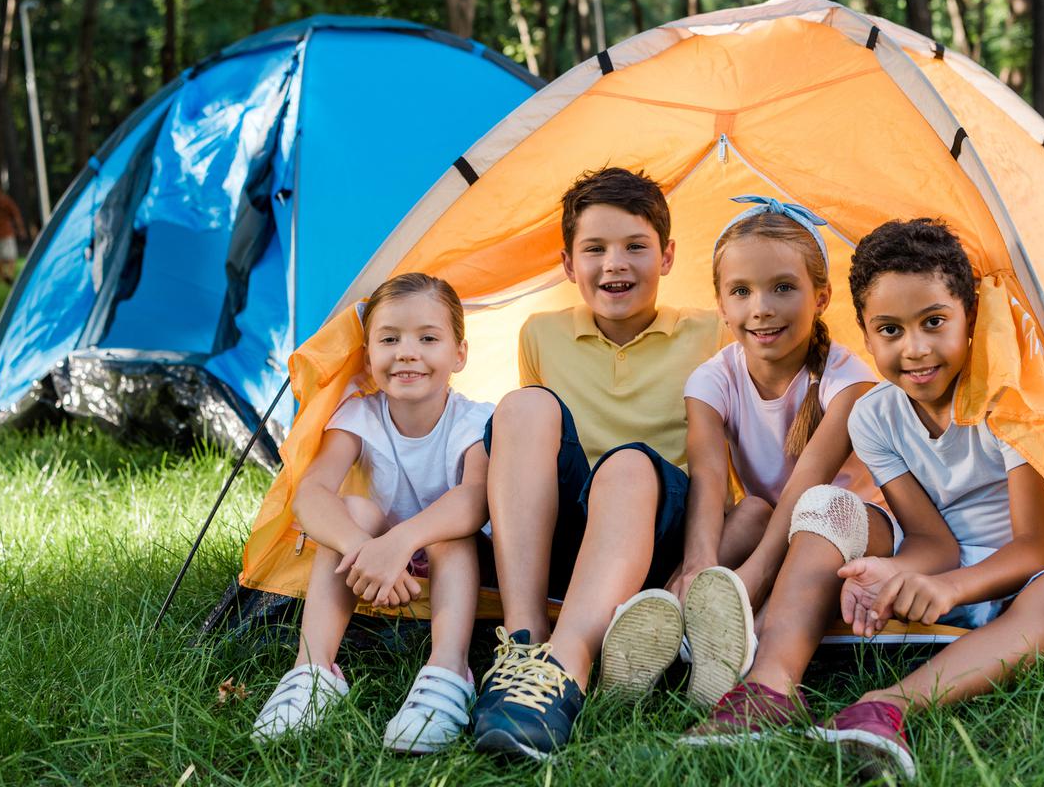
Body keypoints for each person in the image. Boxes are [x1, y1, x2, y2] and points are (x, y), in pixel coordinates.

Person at [805, 218, 1044, 780]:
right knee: (834, 523)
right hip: (945, 576)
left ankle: (888, 705)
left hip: (1018, 571)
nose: (914, 349)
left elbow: (1035, 546)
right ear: (866, 336)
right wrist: (895, 576)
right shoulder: (874, 416)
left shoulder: (1007, 401)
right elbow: (931, 537)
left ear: (969, 320)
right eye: (889, 330)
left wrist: (946, 587)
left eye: (933, 323)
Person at [671, 197, 956, 742]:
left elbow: (808, 489)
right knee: (751, 508)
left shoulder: (849, 382)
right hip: (778, 528)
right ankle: (675, 619)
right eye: (741, 291)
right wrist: (700, 571)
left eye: (783, 287)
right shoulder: (713, 377)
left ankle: (768, 684)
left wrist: (748, 580)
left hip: (863, 526)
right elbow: (708, 477)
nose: (761, 308)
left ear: (820, 297)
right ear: (720, 304)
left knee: (818, 506)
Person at [471, 167, 722, 759]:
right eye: (595, 249)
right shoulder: (540, 334)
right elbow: (533, 456)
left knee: (630, 464)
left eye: (636, 247)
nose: (615, 264)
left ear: (667, 257)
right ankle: (523, 643)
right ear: (566, 264)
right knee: (525, 406)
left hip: (653, 529)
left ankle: (567, 666)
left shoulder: (713, 333)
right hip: (567, 532)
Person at [252, 272, 494, 754]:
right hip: (380, 554)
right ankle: (313, 672)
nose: (407, 352)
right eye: (389, 339)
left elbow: (474, 500)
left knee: (450, 531)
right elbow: (312, 493)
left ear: (459, 354)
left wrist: (400, 544)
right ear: (368, 357)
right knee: (354, 509)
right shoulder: (358, 415)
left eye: (428, 338)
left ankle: (449, 672)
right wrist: (365, 549)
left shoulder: (476, 419)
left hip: (453, 556)